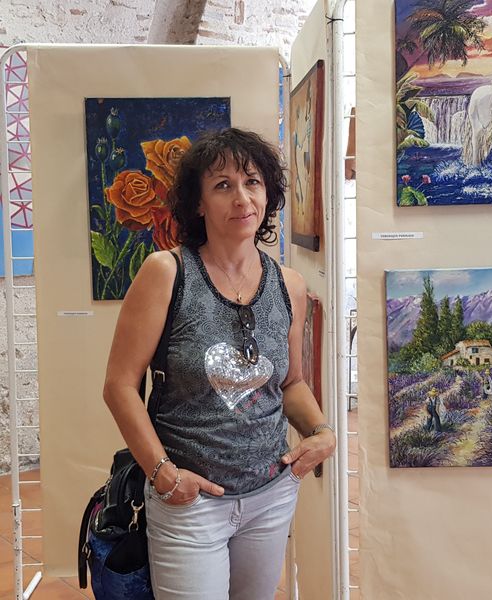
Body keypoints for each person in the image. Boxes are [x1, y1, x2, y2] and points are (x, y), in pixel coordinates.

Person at [102, 128, 336, 600]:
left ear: (268, 194)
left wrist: (322, 432)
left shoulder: (289, 284)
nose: (242, 198)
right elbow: (120, 386)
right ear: (198, 203)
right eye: (223, 185)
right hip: (190, 501)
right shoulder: (167, 273)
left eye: (252, 182)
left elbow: (290, 382)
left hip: (270, 496)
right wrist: (164, 474)